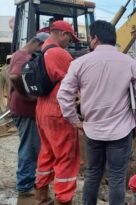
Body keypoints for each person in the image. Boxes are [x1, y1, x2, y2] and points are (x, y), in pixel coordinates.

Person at [57, 20, 136, 205]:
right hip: (121, 132)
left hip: (93, 130)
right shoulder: (130, 63)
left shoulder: (79, 63)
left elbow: (63, 95)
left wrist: (75, 120)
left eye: (90, 38)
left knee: (93, 174)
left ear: (95, 39)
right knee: (116, 178)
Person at [34, 20, 80, 205]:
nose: (70, 42)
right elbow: (77, 81)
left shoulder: (43, 50)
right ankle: (64, 200)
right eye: (70, 38)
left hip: (42, 110)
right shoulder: (60, 54)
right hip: (58, 112)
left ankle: (41, 197)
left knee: (47, 153)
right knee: (66, 157)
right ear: (63, 34)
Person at [8, 32, 49, 197]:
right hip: (24, 110)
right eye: (43, 48)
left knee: (31, 146)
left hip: (24, 110)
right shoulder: (23, 56)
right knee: (29, 148)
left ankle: (28, 179)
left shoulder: (24, 55)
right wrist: (27, 95)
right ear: (38, 43)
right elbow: (14, 76)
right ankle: (25, 185)